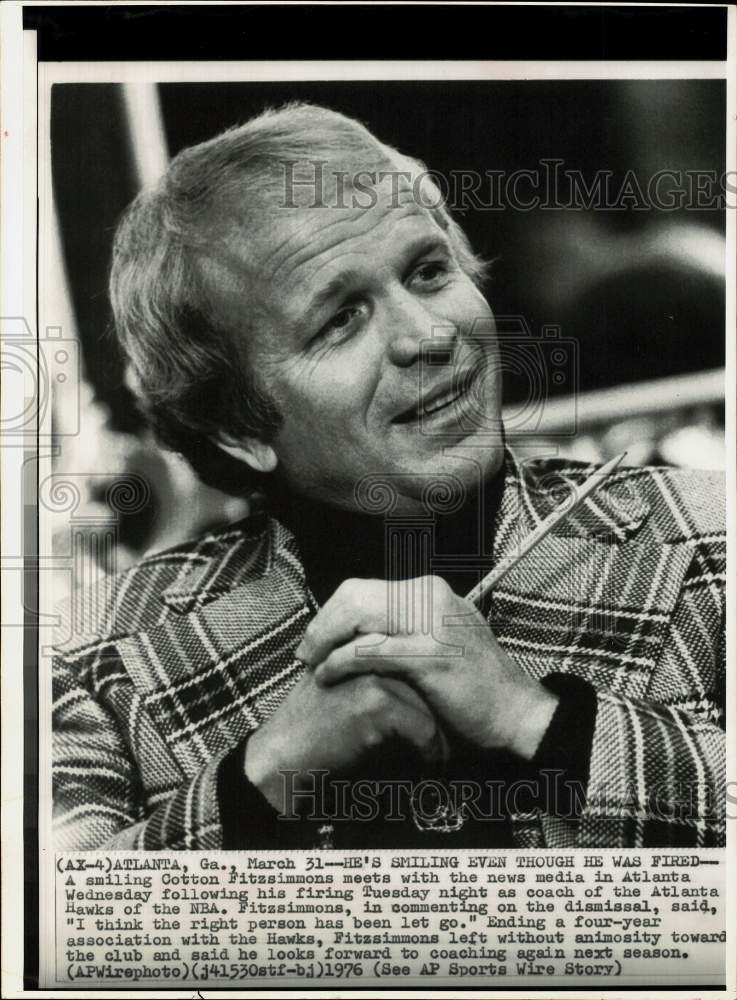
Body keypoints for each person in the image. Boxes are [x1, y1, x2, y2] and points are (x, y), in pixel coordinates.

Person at [53, 103, 725, 850]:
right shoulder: (100, 654)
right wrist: (260, 782)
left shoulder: (710, 538)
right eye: (339, 319)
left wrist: (540, 723)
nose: (429, 335)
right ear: (239, 428)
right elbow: (56, 936)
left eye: (429, 271)